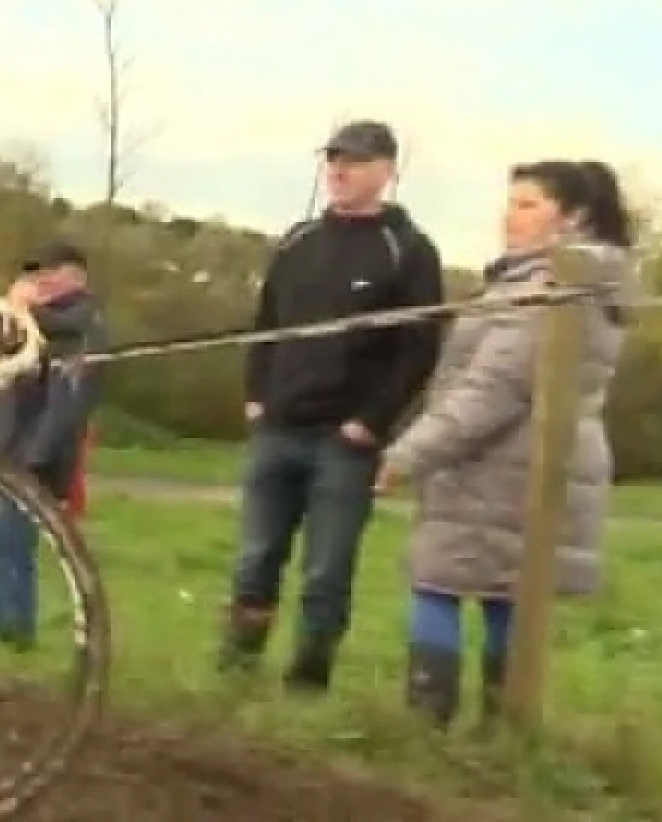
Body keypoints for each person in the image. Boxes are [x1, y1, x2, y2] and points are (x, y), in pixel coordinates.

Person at [374, 159, 633, 728]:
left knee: (438, 585)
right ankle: (502, 734)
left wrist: (406, 455)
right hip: (525, 463)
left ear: (572, 218)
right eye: (510, 202)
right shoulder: (571, 284)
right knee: (503, 596)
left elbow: (490, 391)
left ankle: (428, 730)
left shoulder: (548, 289)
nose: (509, 217)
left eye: (528, 205)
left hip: (500, 466)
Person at [222, 119, 446, 692]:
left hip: (343, 442)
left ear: (387, 171)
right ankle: (236, 670)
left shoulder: (410, 251)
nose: (340, 171)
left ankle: (307, 679)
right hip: (277, 427)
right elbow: (267, 323)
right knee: (254, 559)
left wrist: (370, 423)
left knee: (326, 571)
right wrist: (255, 395)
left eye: (356, 161)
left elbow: (418, 349)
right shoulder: (299, 240)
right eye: (335, 159)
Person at [0, 242, 106, 647]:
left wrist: (35, 458)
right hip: (0, 450)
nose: (38, 281)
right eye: (35, 274)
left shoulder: (83, 324)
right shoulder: (24, 323)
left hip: (29, 458)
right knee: (9, 546)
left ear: (76, 275)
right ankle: (14, 627)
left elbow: (68, 401)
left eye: (48, 272)